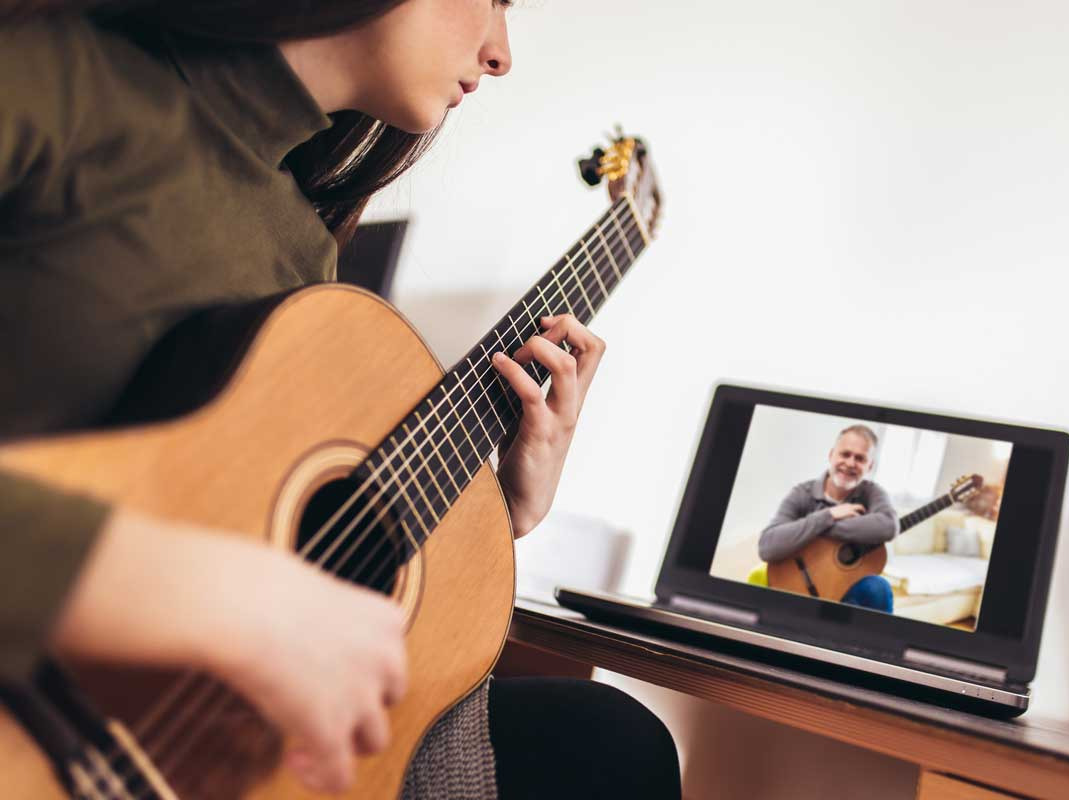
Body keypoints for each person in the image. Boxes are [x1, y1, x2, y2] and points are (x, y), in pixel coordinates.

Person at [0, 2, 680, 798]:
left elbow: (262, 540)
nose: (500, 55)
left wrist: (496, 512)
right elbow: (232, 581)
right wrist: (182, 585)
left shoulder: (301, 250)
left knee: (610, 743)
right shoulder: (58, 76)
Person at [757, 425, 899, 612]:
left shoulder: (873, 493)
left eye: (860, 458)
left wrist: (823, 529)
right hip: (799, 588)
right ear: (831, 455)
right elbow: (767, 546)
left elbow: (889, 526)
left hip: (847, 589)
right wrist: (828, 515)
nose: (850, 463)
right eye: (845, 454)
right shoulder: (802, 493)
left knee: (878, 588)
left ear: (869, 466)